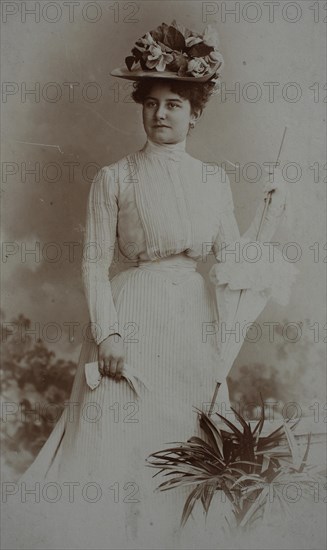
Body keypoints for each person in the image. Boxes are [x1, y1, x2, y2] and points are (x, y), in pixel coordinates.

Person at [6, 21, 289, 550]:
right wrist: (108, 333)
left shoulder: (213, 180)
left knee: (185, 439)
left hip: (192, 322)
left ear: (195, 113)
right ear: (141, 106)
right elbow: (93, 263)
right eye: (152, 103)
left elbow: (232, 261)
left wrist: (267, 219)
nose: (161, 114)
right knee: (116, 437)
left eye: (175, 104)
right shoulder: (114, 177)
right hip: (130, 318)